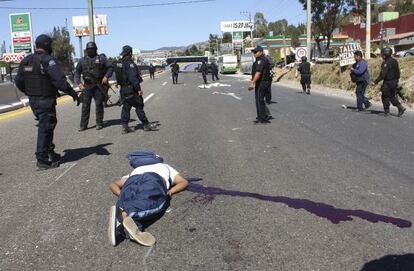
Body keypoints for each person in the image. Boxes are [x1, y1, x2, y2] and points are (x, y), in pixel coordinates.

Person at [14, 34, 80, 170]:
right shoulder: (48, 60)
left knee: (47, 125)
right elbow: (59, 80)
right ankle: (42, 159)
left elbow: (19, 81)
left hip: (33, 100)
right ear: (47, 46)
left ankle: (50, 152)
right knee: (46, 128)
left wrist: (29, 92)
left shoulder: (26, 60)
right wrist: (72, 93)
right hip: (45, 100)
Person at [108, 150, 189, 246]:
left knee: (126, 198)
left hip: (132, 180)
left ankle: (122, 213)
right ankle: (129, 215)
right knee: (151, 200)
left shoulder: (135, 170)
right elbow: (183, 182)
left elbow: (113, 184)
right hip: (153, 178)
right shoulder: (165, 166)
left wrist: (120, 193)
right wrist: (170, 191)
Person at [114, 45, 157, 134]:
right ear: (130, 53)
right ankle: (146, 124)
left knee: (126, 107)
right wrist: (138, 89)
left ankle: (125, 127)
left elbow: (118, 76)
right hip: (131, 89)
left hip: (123, 89)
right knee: (139, 106)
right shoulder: (130, 64)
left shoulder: (119, 63)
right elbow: (133, 78)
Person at [75, 42, 113, 131]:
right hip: (87, 86)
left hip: (98, 86)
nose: (90, 51)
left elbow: (110, 67)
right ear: (86, 50)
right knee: (85, 106)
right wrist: (79, 83)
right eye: (89, 50)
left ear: (95, 49)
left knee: (99, 105)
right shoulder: (82, 60)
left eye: (92, 49)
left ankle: (99, 123)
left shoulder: (102, 58)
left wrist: (106, 76)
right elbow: (77, 72)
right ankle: (83, 125)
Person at [373, 47, 406, 117]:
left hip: (388, 82)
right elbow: (398, 72)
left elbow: (382, 75)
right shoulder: (395, 61)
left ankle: (387, 111)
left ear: (385, 55)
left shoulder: (386, 63)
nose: (381, 56)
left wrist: (375, 81)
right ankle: (400, 107)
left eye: (382, 54)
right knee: (392, 96)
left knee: (385, 96)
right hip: (395, 81)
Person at [249, 46, 272, 124]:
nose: (254, 53)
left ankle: (262, 118)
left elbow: (258, 72)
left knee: (259, 100)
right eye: (254, 52)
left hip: (262, 82)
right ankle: (261, 116)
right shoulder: (259, 60)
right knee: (259, 100)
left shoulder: (261, 60)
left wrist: (253, 83)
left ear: (261, 52)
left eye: (256, 52)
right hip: (261, 82)